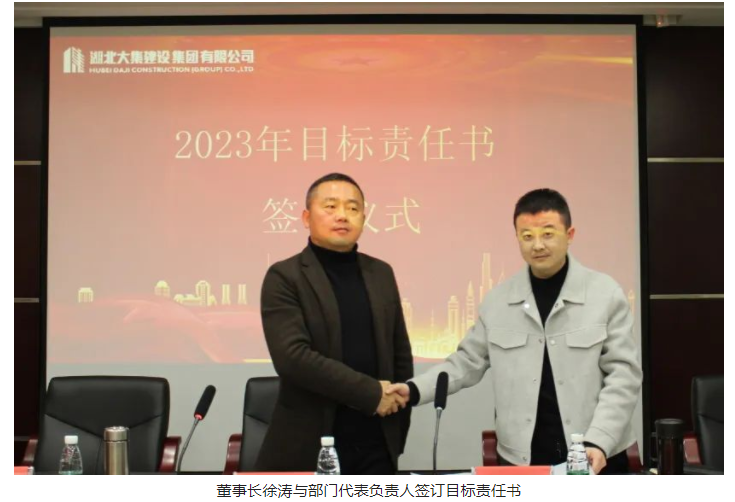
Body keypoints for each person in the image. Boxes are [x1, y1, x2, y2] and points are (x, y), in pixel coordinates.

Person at [388, 188, 642, 474]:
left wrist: (599, 439)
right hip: (523, 458)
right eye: (527, 236)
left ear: (569, 234)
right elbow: (465, 363)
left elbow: (624, 376)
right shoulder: (498, 301)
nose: (537, 245)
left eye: (548, 234)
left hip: (597, 453)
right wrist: (413, 389)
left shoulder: (604, 294)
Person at [256, 173, 413, 474]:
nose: (342, 215)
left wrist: (396, 431)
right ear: (306, 217)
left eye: (353, 208)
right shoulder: (285, 276)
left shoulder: (381, 273)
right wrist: (370, 394)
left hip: (376, 443)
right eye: (330, 206)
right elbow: (292, 358)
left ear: (364, 218)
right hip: (311, 441)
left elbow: (400, 355)